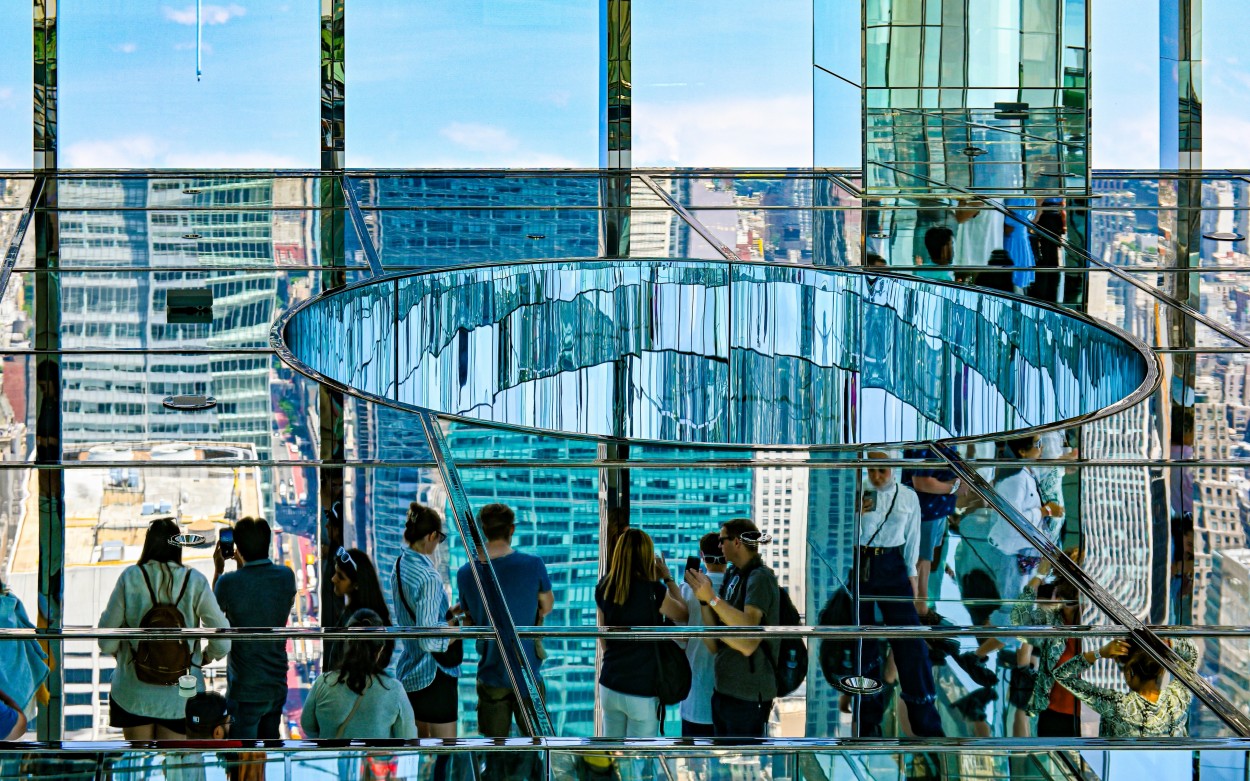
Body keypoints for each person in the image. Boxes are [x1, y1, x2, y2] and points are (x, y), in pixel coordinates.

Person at [99, 517, 231, 739]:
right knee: (173, 768)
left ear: (148, 544)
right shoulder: (194, 581)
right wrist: (205, 658)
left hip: (133, 693)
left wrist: (126, 653)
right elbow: (223, 640)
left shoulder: (131, 577)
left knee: (137, 766)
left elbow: (106, 641)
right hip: (182, 698)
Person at [850, 451, 944, 738]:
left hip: (893, 565)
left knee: (909, 640)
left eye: (883, 470)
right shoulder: (858, 493)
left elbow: (913, 537)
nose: (877, 476)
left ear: (894, 468)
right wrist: (857, 509)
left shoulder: (907, 496)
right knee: (861, 639)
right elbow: (847, 531)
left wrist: (912, 575)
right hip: (861, 562)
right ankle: (867, 716)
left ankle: (925, 715)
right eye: (873, 470)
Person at [456, 503, 553, 739]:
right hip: (527, 671)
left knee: (494, 748)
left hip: (491, 672)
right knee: (537, 746)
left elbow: (469, 617)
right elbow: (547, 606)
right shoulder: (533, 565)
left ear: (482, 530)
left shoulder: (466, 572)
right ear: (511, 529)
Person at [685, 518, 778, 738]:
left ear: (737, 542)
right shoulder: (733, 575)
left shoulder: (760, 577)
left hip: (747, 697)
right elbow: (715, 641)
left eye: (722, 540)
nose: (719, 546)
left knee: (742, 762)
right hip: (724, 693)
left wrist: (712, 599)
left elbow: (747, 642)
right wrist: (703, 599)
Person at [595, 529, 688, 738]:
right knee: (640, 762)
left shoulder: (604, 587)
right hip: (642, 687)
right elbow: (683, 614)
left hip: (610, 682)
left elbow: (604, 637)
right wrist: (667, 578)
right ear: (647, 556)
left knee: (613, 755)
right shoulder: (653, 591)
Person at [212, 517, 297, 740]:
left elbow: (213, 615)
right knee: (268, 751)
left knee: (243, 759)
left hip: (244, 687)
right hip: (276, 682)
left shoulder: (228, 583)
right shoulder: (286, 577)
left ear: (237, 548)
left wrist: (219, 569)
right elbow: (261, 599)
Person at [391, 503, 461, 741]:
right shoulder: (428, 577)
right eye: (439, 537)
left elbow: (421, 620)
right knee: (445, 753)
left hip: (411, 672)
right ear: (431, 535)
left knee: (419, 751)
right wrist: (461, 628)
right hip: (435, 675)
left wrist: (451, 613)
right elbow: (430, 638)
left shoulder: (400, 566)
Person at [301, 608, 417, 739]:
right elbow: (408, 738)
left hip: (333, 757)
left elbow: (308, 727)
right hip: (373, 759)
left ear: (346, 644)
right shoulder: (394, 690)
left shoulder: (323, 682)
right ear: (380, 650)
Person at [1052, 635, 1198, 737]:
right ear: (1161, 670)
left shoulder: (1118, 706)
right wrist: (1166, 644)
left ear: (1130, 673)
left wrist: (1099, 653)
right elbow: (1193, 653)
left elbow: (1063, 675)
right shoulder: (1178, 699)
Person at [1010, 560, 1083, 737]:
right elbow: (1020, 620)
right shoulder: (1055, 621)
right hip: (1062, 711)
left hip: (1073, 712)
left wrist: (1039, 577)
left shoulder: (1085, 621)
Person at [900, 447, 961, 618]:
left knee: (926, 559)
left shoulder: (942, 441)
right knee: (920, 560)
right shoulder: (929, 442)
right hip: (926, 511)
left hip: (936, 510)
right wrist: (954, 487)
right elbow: (922, 481)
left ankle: (920, 608)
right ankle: (918, 610)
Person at [677, 533, 727, 737]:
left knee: (692, 763)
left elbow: (679, 640)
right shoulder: (737, 590)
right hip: (729, 700)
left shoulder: (687, 591)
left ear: (701, 556)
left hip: (694, 698)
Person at [326, 547, 392, 671]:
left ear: (356, 584)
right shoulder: (359, 613)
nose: (333, 579)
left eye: (340, 576)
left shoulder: (361, 619)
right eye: (336, 572)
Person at [1003, 196, 1038, 290]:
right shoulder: (1030, 197)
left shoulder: (1017, 197)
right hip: (1022, 239)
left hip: (1013, 239)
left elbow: (1009, 226)